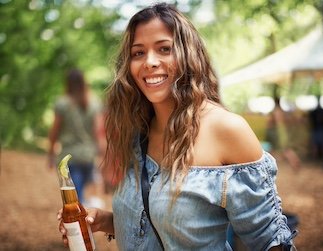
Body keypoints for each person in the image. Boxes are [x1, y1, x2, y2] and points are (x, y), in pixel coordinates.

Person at [57, 3, 297, 250]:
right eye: (138, 53)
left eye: (164, 49)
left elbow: (271, 242)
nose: (150, 62)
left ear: (189, 54)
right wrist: (104, 220)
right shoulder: (137, 130)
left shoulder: (226, 129)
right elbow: (158, 225)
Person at [48, 68, 104, 204]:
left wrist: (50, 153)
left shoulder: (62, 103)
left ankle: (78, 221)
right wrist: (103, 154)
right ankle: (84, 219)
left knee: (74, 196)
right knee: (85, 193)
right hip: (88, 156)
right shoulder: (94, 103)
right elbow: (99, 131)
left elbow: (54, 131)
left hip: (69, 157)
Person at [266, 96, 301, 171]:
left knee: (284, 150)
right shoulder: (282, 111)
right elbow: (290, 120)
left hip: (277, 132)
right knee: (285, 150)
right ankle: (294, 162)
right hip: (283, 131)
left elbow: (271, 122)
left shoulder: (275, 111)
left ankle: (294, 162)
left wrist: (269, 124)